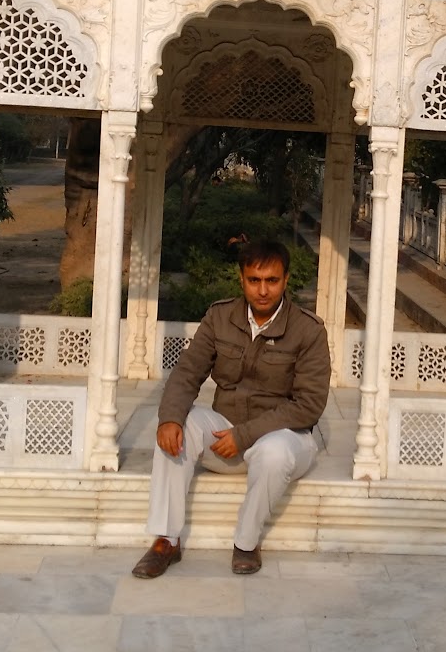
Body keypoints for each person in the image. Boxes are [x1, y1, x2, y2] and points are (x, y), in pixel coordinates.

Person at [131, 237, 331, 578]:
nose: (263, 290)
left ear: (285, 280)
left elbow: (309, 405)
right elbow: (187, 372)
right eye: (255, 280)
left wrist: (245, 434)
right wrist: (170, 418)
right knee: (181, 424)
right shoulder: (220, 317)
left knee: (274, 453)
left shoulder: (308, 331)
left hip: (284, 439)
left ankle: (247, 543)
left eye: (272, 281)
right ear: (242, 279)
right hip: (227, 434)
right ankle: (166, 539)